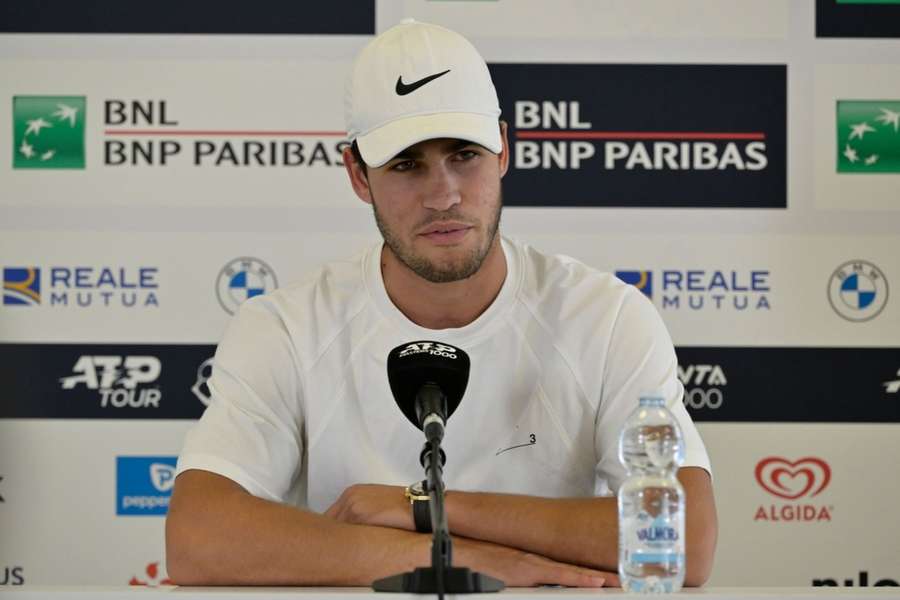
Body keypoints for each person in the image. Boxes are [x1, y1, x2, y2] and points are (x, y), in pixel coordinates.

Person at [166, 19, 717, 587]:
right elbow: (196, 537)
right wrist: (454, 563)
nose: (444, 194)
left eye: (464, 154)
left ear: (503, 149)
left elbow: (686, 538)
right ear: (357, 173)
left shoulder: (606, 318)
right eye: (407, 164)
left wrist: (424, 509)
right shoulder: (284, 327)